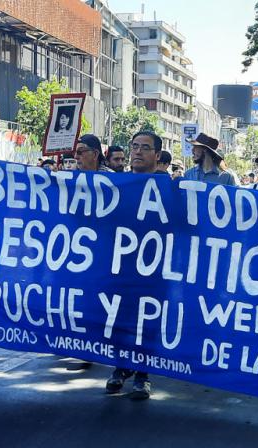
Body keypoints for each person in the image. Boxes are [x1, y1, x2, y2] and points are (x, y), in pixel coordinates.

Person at [105, 130, 163, 401]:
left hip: (154, 269)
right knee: (120, 318)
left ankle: (142, 375)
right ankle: (120, 367)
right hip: (122, 265)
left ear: (157, 155)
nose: (138, 152)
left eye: (145, 148)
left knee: (147, 321)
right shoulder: (118, 185)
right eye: (135, 146)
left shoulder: (168, 187)